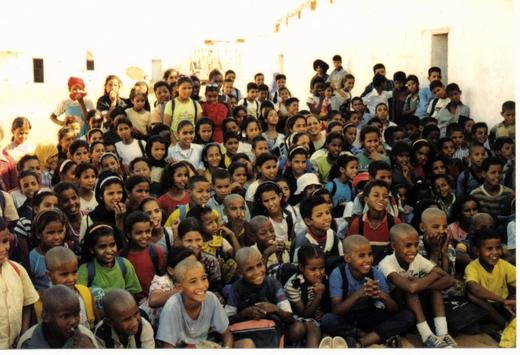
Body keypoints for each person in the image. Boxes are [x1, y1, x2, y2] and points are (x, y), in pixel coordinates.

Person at [321, 235, 414, 348]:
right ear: (347, 259)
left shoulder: (375, 273)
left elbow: (393, 309)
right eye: (361, 256)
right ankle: (368, 337)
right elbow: (336, 310)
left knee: (408, 316)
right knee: (328, 320)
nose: (368, 260)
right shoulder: (338, 274)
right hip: (347, 317)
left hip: (368, 314)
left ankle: (360, 342)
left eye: (370, 254)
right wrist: (359, 294)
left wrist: (381, 295)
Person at [378, 224, 457, 348]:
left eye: (416, 245)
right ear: (393, 246)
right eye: (408, 245)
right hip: (392, 307)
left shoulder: (417, 258)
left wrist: (422, 284)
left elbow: (449, 280)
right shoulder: (386, 263)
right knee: (411, 289)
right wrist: (432, 276)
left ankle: (443, 334)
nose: (414, 250)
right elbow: (411, 288)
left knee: (434, 289)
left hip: (414, 304)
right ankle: (427, 336)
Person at [157, 258, 246, 348]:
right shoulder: (172, 307)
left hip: (205, 345)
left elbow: (227, 335)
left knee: (246, 343)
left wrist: (226, 348)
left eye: (204, 278)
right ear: (179, 288)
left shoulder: (211, 298)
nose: (201, 286)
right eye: (193, 281)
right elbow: (167, 347)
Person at [225, 247, 304, 347]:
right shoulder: (237, 287)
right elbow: (226, 321)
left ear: (263, 263)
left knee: (298, 328)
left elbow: (289, 317)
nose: (257, 272)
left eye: (259, 265)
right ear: (240, 272)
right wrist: (244, 313)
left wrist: (275, 309)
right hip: (246, 333)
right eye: (250, 269)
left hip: (271, 329)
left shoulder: (273, 284)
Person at [464, 228, 516, 329]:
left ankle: (507, 320)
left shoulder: (503, 265)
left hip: (503, 305)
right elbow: (473, 288)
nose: (495, 252)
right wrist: (502, 300)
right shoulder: (472, 267)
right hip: (484, 307)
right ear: (477, 251)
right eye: (489, 249)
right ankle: (502, 323)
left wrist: (512, 300)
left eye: (498, 248)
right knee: (471, 294)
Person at [17, 285, 98, 348]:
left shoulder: (86, 337)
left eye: (76, 314)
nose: (73, 321)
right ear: (46, 317)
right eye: (65, 316)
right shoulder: (29, 341)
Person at [0, 219, 39, 349]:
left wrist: (24, 333)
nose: (3, 248)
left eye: (5, 241)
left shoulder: (17, 270)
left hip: (14, 345)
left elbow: (28, 302)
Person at [283, 245, 330, 348]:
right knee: (311, 327)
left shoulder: (325, 278)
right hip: (299, 319)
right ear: (301, 267)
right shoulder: (293, 285)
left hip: (321, 318)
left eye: (321, 268)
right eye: (313, 269)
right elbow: (304, 314)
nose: (318, 273)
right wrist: (318, 296)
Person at [77, 223, 142, 297]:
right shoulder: (85, 270)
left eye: (112, 245)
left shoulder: (124, 264)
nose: (109, 250)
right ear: (92, 249)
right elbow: (81, 297)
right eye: (102, 247)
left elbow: (132, 292)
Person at [347, 180, 401, 264]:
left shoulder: (394, 223)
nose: (381, 199)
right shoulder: (357, 224)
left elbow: (400, 252)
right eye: (376, 195)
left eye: (385, 196)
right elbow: (350, 252)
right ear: (366, 199)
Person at [292, 195, 344, 271]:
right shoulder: (302, 241)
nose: (326, 218)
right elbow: (296, 269)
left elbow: (341, 261)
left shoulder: (332, 235)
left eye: (327, 212)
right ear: (308, 221)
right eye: (319, 215)